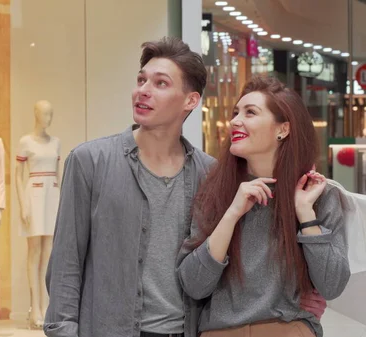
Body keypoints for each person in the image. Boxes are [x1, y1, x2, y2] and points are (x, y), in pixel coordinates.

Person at [43, 37, 327, 337]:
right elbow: (65, 265)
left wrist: (299, 293)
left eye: (160, 83)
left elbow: (234, 263)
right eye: (141, 80)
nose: (143, 90)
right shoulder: (90, 162)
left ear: (191, 101)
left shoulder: (211, 174)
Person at [177, 76, 350, 337]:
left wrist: (305, 214)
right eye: (235, 112)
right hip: (221, 332)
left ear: (283, 129)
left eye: (250, 112)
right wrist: (232, 213)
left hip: (289, 330)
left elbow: (332, 285)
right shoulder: (215, 193)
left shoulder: (319, 196)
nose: (235, 120)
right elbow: (194, 285)